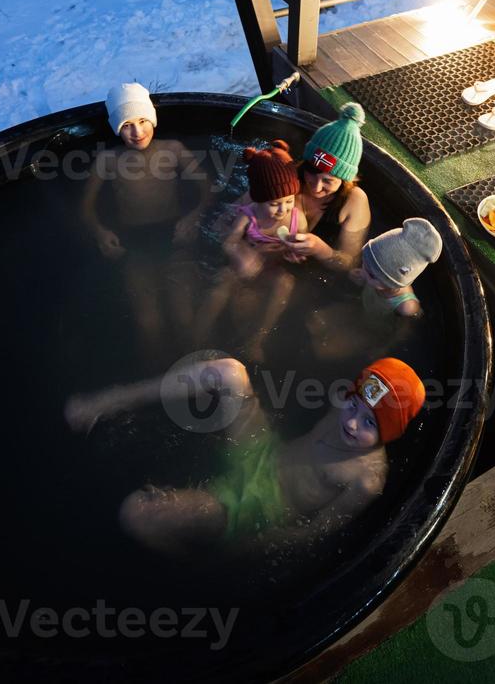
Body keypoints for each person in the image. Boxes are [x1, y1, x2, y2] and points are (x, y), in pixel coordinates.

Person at [63, 353, 426, 553]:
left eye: (369, 424)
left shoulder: (366, 479)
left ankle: (189, 562)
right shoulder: (345, 404)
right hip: (263, 453)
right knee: (229, 372)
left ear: (389, 434)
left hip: (256, 506)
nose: (351, 423)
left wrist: (251, 546)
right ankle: (110, 400)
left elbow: (317, 532)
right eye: (355, 406)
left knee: (137, 514)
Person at [82, 83, 212, 354]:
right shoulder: (108, 160)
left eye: (143, 121)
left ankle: (199, 373)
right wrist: (100, 232)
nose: (137, 132)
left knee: (184, 316)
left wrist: (193, 217)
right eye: (127, 124)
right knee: (148, 323)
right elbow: (85, 208)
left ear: (153, 118)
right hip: (134, 242)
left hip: (176, 235)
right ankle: (158, 380)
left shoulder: (173, 150)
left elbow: (207, 188)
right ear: (116, 128)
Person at [196, 141, 303, 358]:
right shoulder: (249, 214)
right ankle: (197, 336)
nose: (282, 209)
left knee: (285, 283)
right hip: (241, 268)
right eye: (274, 203)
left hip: (271, 270)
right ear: (258, 199)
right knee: (222, 281)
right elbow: (228, 241)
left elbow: (301, 243)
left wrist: (296, 252)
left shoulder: (296, 219)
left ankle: (256, 340)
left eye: (288, 201)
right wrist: (238, 253)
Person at [308, 218, 444, 360]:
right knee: (313, 320)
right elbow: (371, 278)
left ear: (393, 282)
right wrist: (362, 279)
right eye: (366, 264)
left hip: (373, 331)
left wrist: (384, 348)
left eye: (371, 273)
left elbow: (402, 334)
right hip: (360, 311)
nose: (364, 270)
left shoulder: (406, 306)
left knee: (323, 349)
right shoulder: (376, 278)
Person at [283, 103, 372, 272]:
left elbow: (350, 263)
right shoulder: (289, 176)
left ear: (345, 179)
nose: (316, 187)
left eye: (328, 181)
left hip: (314, 275)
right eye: (311, 171)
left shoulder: (354, 201)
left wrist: (319, 249)